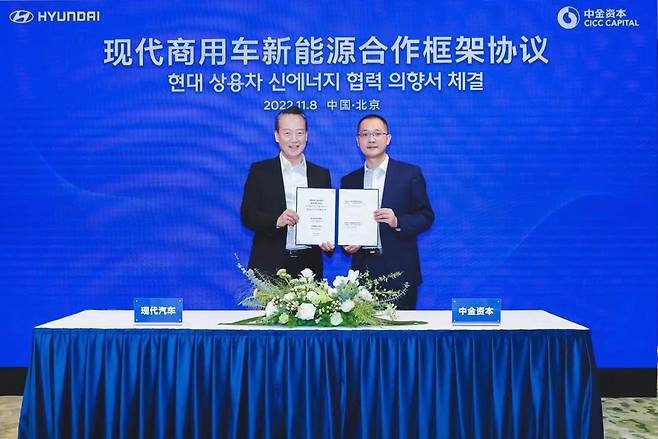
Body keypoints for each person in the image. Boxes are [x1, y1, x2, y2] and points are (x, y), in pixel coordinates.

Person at [341, 114, 434, 309]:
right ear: (357, 141)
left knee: (401, 337)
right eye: (365, 134)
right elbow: (346, 222)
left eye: (377, 133)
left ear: (388, 139)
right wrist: (348, 244)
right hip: (363, 276)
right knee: (366, 338)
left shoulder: (410, 174)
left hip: (400, 274)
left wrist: (397, 221)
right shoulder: (349, 181)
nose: (371, 139)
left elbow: (426, 216)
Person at [241, 106, 334, 279]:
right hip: (269, 263)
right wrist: (277, 221)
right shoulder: (260, 171)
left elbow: (326, 217)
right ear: (277, 136)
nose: (294, 139)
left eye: (299, 133)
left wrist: (328, 241)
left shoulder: (321, 174)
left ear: (307, 135)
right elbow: (247, 215)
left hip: (309, 265)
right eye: (287, 133)